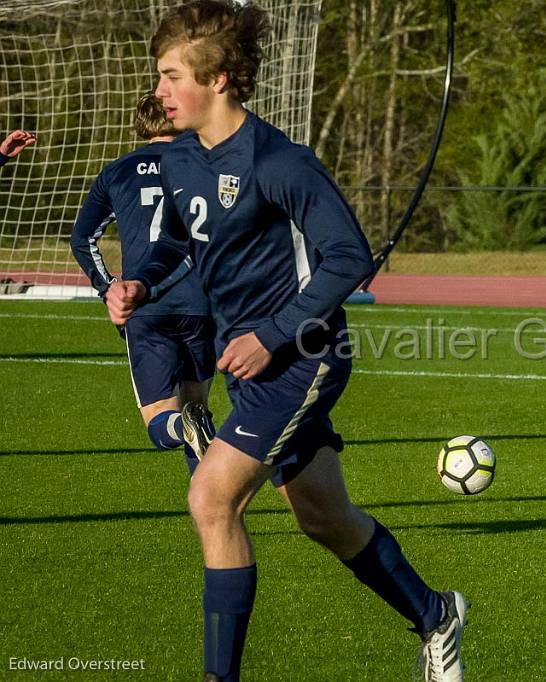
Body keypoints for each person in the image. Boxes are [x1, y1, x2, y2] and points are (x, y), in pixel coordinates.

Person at [104, 3, 468, 680]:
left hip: (304, 355)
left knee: (212, 499)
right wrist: (141, 284)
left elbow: (349, 258)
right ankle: (436, 615)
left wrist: (272, 336)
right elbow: (179, 241)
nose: (157, 90)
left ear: (216, 79)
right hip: (252, 365)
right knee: (324, 517)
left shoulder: (280, 161)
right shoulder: (183, 158)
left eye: (169, 75)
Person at [70, 94, 215, 476]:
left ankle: (183, 432)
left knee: (162, 421)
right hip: (201, 303)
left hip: (143, 305)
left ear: (140, 126)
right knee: (197, 407)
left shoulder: (117, 171)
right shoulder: (203, 166)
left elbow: (82, 239)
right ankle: (215, 510)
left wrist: (108, 288)